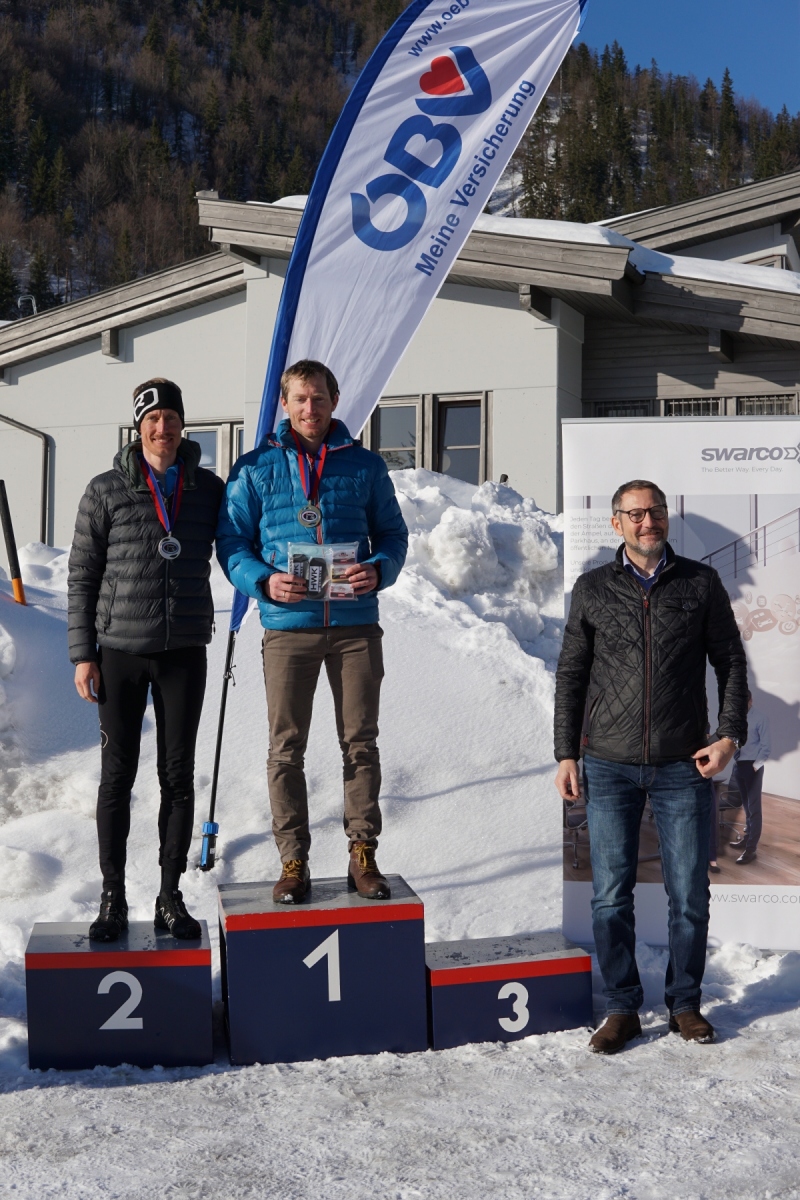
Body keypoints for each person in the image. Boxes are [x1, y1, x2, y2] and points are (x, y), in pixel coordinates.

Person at [554, 480, 748, 1053]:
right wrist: (565, 752)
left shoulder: (700, 583)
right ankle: (622, 1007)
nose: (648, 522)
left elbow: (731, 661)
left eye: (656, 511)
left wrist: (729, 736)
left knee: (689, 894)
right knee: (610, 895)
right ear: (616, 523)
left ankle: (685, 1003)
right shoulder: (592, 588)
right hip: (607, 763)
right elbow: (571, 674)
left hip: (682, 763)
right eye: (635, 514)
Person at [216, 359, 408, 904]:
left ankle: (362, 853)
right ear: (285, 403)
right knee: (286, 749)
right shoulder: (256, 467)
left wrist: (379, 570)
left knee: (361, 744)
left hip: (354, 627)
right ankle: (293, 860)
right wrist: (263, 581)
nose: (310, 408)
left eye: (319, 398)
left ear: (334, 401)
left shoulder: (365, 466)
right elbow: (232, 542)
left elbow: (393, 535)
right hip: (288, 629)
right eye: (300, 398)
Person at [68, 379, 224, 942]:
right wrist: (83, 654)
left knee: (178, 776)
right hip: (120, 653)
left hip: (183, 652)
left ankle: (169, 895)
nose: (163, 428)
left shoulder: (207, 489)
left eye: (171, 418)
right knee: (117, 777)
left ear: (183, 425)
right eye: (153, 419)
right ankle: (113, 896)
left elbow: (238, 547)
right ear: (139, 428)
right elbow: (82, 574)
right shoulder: (105, 489)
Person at [729, 691, 771, 865]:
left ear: (750, 700)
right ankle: (747, 839)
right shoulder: (736, 718)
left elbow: (766, 747)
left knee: (754, 808)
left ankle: (751, 849)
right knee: (746, 806)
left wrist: (756, 766)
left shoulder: (760, 718)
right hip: (739, 765)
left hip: (753, 767)